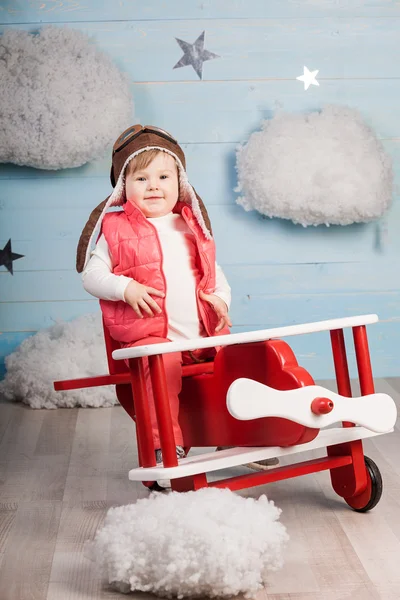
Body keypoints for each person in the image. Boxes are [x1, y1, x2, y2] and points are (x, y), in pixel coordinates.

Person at [76, 124, 277, 474]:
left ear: (180, 184)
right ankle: (163, 444)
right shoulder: (116, 230)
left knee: (238, 361)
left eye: (164, 176)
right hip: (151, 338)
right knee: (160, 368)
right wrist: (127, 289)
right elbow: (91, 276)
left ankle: (239, 431)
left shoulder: (190, 226)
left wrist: (221, 301)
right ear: (124, 188)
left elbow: (214, 273)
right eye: (141, 179)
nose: (154, 185)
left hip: (201, 332)